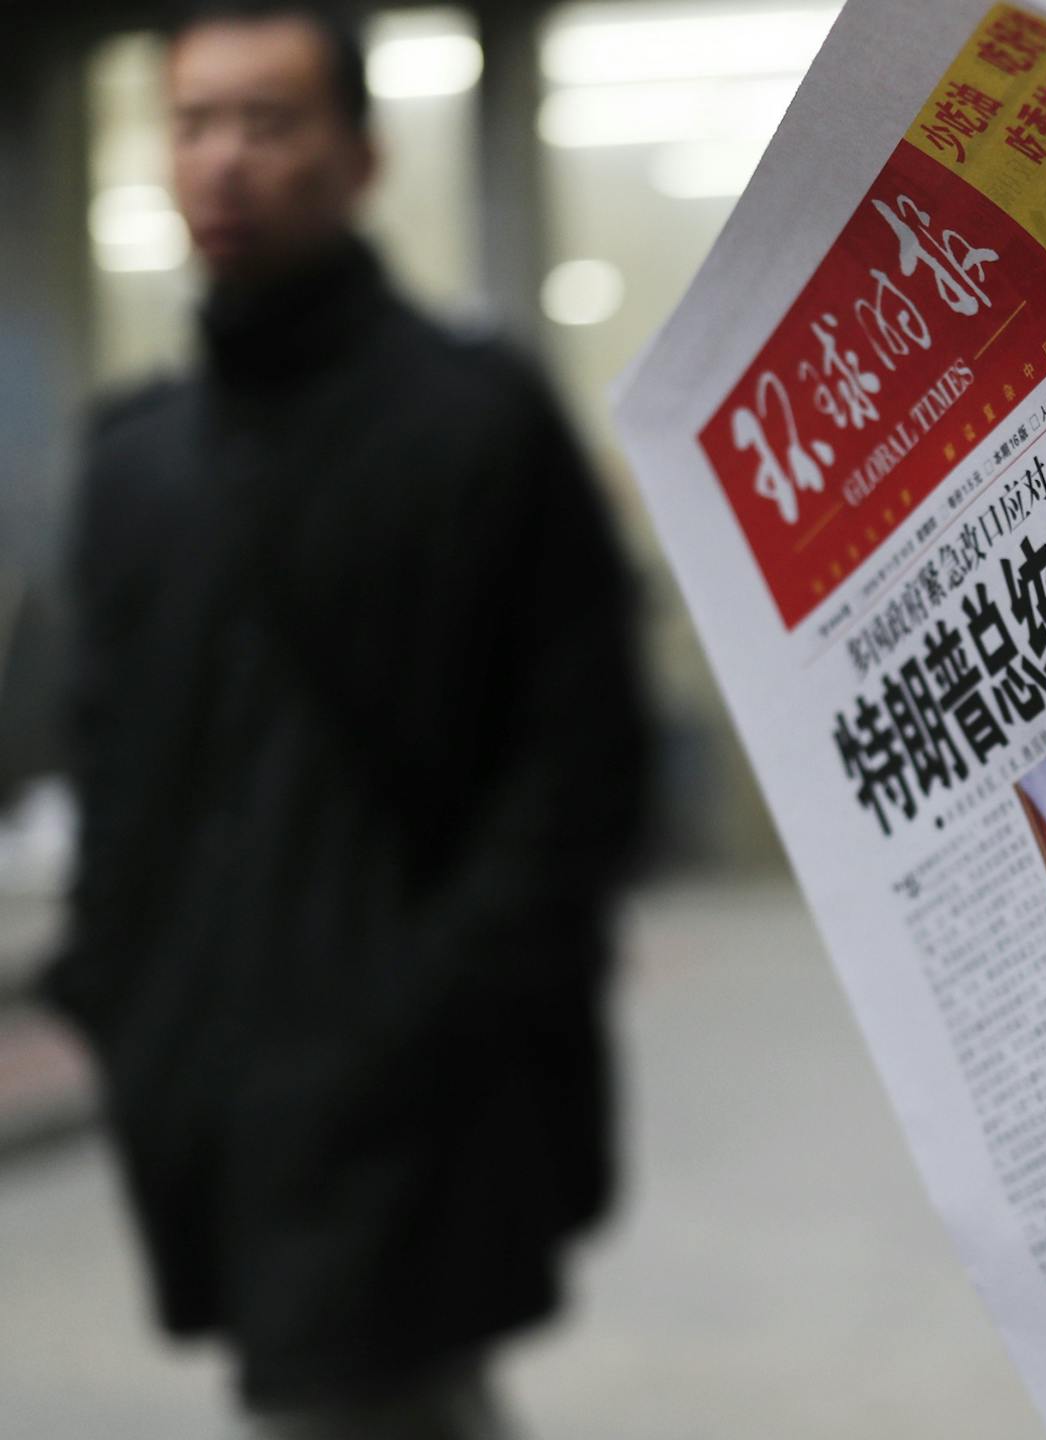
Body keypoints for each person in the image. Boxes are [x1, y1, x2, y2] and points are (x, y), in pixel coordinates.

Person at [38, 2, 654, 1432]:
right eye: (193, 123)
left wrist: (413, 1022)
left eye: (271, 121)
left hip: (407, 1085)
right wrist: (123, 1001)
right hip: (208, 1074)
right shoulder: (137, 465)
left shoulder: (473, 423)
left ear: (362, 159)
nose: (225, 161)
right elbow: (110, 760)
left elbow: (580, 774)